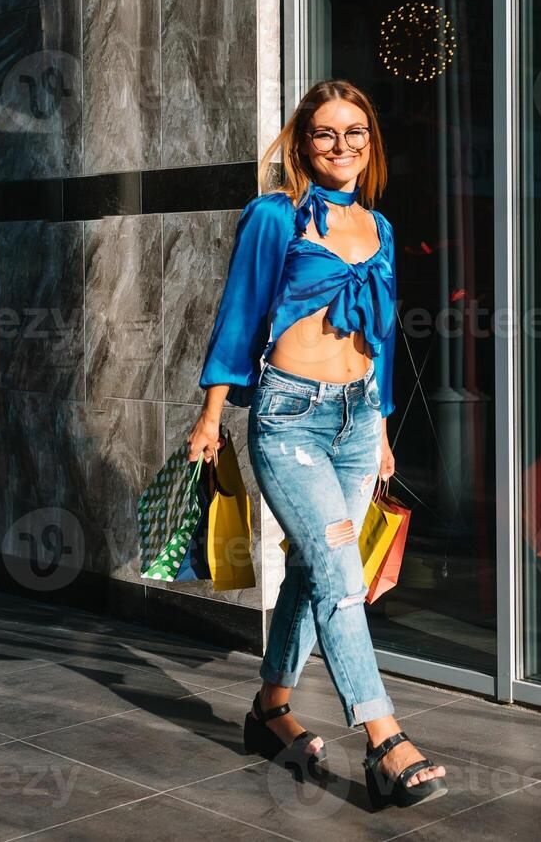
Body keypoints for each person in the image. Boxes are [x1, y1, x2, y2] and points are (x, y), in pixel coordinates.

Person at [186, 79, 447, 809]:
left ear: (371, 142)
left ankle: (270, 709)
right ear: (303, 144)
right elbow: (238, 317)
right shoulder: (275, 216)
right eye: (326, 134)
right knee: (339, 575)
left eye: (355, 132)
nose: (343, 147)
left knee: (314, 570)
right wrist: (211, 416)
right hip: (290, 420)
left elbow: (381, 336)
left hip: (360, 420)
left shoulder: (380, 227)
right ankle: (385, 739)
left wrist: (385, 427)